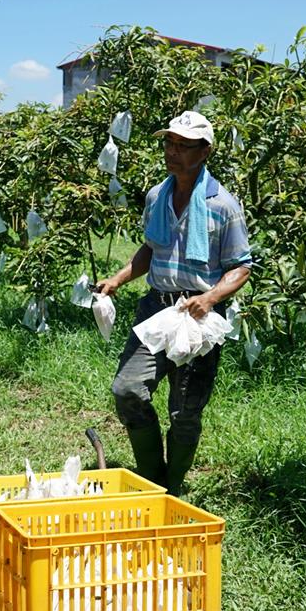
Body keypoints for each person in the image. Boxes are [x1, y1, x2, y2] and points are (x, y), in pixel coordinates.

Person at [95, 110, 252, 497]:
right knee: (128, 390)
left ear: (205, 152)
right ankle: (153, 477)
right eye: (169, 143)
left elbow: (241, 267)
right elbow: (151, 248)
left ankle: (173, 489)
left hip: (198, 317)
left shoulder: (222, 205)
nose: (173, 151)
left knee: (184, 413)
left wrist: (211, 297)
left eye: (184, 146)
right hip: (156, 310)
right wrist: (117, 278)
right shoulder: (157, 195)